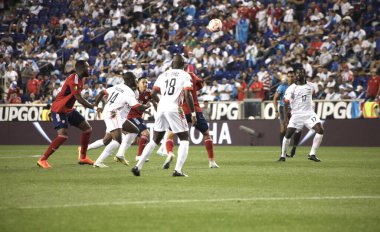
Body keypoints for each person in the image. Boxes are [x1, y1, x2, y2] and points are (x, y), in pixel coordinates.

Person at [131, 54, 197, 177]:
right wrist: (193, 113)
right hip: (174, 108)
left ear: (172, 64)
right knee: (184, 139)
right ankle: (178, 170)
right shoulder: (185, 75)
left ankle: (138, 166)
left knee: (155, 139)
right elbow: (188, 94)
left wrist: (161, 102)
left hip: (161, 108)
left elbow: (153, 93)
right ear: (183, 65)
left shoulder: (163, 75)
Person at [37, 60, 96, 169]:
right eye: (88, 67)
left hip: (68, 109)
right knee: (63, 135)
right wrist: (93, 106)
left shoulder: (81, 79)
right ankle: (42, 159)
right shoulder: (73, 79)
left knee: (87, 129)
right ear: (82, 69)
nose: (90, 69)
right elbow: (79, 98)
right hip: (59, 109)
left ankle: (83, 157)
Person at [160, 70, 219, 169]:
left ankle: (170, 153)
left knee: (169, 135)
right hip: (195, 109)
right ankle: (211, 161)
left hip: (180, 110)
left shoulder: (171, 76)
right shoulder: (191, 75)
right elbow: (200, 85)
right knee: (206, 134)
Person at [91, 72, 151, 168]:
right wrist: (146, 106)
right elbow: (137, 107)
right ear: (131, 81)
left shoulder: (117, 86)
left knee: (134, 130)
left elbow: (102, 93)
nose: (136, 81)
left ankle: (120, 155)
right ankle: (99, 161)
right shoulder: (129, 92)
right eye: (135, 80)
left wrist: (95, 106)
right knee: (118, 140)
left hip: (116, 114)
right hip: (113, 114)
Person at [278, 64, 324, 162]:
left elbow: (312, 96)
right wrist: (286, 117)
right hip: (296, 115)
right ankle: (283, 156)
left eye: (301, 72)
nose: (300, 74)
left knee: (320, 130)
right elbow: (285, 103)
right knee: (288, 134)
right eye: (298, 73)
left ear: (305, 74)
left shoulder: (311, 86)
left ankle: (312, 154)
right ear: (295, 75)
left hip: (309, 113)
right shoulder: (291, 88)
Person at [273, 70, 302, 158]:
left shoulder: (298, 87)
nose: (290, 78)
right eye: (289, 76)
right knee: (283, 129)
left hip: (294, 109)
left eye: (292, 76)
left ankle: (294, 148)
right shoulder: (282, 87)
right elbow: (275, 99)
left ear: (295, 77)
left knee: (297, 129)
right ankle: (283, 152)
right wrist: (276, 111)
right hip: (283, 108)